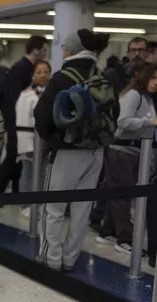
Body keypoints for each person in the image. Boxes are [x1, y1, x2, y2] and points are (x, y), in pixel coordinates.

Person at [34, 29, 117, 271]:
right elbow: (116, 114)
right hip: (96, 152)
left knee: (54, 207)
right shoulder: (102, 76)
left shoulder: (62, 77)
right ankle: (70, 259)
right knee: (82, 210)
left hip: (67, 151)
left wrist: (53, 139)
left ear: (70, 50)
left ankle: (51, 259)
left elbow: (42, 114)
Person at [96, 63, 157, 255]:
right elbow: (123, 121)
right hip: (121, 150)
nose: (156, 82)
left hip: (134, 152)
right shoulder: (134, 96)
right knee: (122, 195)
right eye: (154, 78)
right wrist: (150, 122)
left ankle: (108, 231)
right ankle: (124, 239)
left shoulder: (147, 98)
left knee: (117, 192)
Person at [0, 35, 49, 194]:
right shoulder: (21, 69)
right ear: (36, 50)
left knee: (18, 160)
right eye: (44, 50)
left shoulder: (24, 67)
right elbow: (12, 98)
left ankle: (14, 193)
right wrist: (12, 125)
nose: (46, 53)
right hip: (17, 122)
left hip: (20, 123)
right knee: (12, 157)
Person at [16, 60, 51, 218]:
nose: (43, 75)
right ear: (33, 75)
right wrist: (27, 147)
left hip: (46, 142)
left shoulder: (51, 93)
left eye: (46, 72)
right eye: (39, 72)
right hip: (30, 141)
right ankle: (25, 204)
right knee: (28, 173)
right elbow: (22, 122)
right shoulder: (27, 95)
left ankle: (40, 203)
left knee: (43, 174)